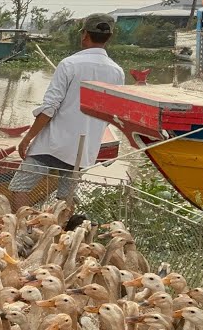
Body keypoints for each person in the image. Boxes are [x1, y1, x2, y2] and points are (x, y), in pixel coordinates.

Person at [11, 14, 124, 211]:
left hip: (53, 145)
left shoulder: (69, 64)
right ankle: (63, 229)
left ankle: (23, 225)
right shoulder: (117, 72)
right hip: (84, 149)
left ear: (84, 34)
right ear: (109, 37)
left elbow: (49, 108)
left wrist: (28, 138)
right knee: (66, 198)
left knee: (19, 187)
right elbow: (111, 114)